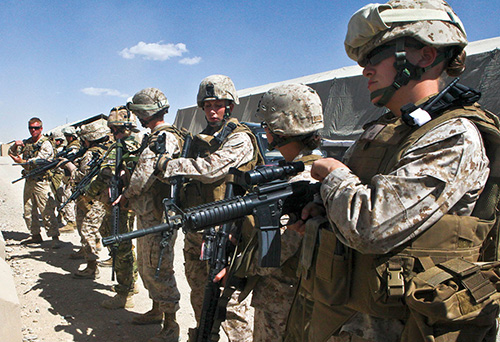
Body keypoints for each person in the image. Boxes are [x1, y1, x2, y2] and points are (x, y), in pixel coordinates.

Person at [284, 1, 500, 341]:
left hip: (402, 325)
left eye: (374, 57)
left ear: (425, 56)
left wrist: (333, 173)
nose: (364, 70)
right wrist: (321, 209)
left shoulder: (453, 137)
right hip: (350, 317)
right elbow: (352, 202)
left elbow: (368, 226)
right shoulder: (382, 130)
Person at [154, 75, 263, 341]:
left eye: (219, 105)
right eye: (207, 105)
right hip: (197, 228)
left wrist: (168, 165)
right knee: (200, 293)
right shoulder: (200, 139)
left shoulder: (240, 138)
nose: (213, 110)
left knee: (231, 301)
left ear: (230, 106)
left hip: (228, 231)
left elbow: (211, 169)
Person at [231, 83, 324, 341]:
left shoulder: (299, 183)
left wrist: (238, 268)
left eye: (267, 126)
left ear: (279, 130)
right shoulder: (317, 171)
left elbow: (275, 254)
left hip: (284, 298)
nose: (266, 132)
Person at [122, 88, 184, 342]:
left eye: (138, 113)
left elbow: (143, 176)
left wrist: (126, 195)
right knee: (148, 266)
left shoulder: (164, 137)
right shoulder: (155, 136)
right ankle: (158, 310)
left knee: (159, 268)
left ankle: (171, 325)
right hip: (149, 213)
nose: (136, 118)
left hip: (159, 217)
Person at [85, 106, 141, 309]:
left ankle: (125, 293)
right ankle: (130, 285)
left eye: (117, 129)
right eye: (113, 129)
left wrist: (89, 193)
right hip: (125, 202)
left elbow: (105, 175)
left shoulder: (122, 148)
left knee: (121, 248)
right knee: (123, 246)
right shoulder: (134, 145)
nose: (114, 133)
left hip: (120, 204)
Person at [65, 121, 109, 279]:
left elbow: (82, 176)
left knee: (87, 230)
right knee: (101, 230)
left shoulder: (90, 153)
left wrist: (70, 167)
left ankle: (92, 266)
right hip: (101, 196)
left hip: (90, 197)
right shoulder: (106, 150)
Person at [9, 117, 60, 248]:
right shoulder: (28, 143)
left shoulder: (45, 144)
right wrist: (15, 146)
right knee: (28, 210)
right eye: (31, 128)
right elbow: (11, 153)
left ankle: (54, 237)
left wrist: (23, 162)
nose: (33, 130)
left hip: (41, 181)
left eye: (36, 128)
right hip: (30, 180)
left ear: (41, 129)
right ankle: (35, 235)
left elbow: (40, 160)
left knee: (46, 210)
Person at [58, 126, 81, 233]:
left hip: (73, 175)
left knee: (69, 198)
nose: (66, 138)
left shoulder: (75, 146)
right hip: (68, 175)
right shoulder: (70, 145)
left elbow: (72, 158)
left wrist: (65, 161)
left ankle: (71, 222)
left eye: (68, 136)